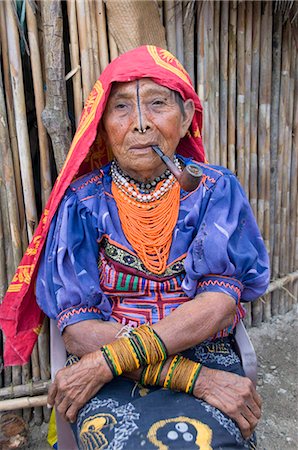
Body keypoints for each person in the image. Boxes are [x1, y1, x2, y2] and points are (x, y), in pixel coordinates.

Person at [2, 46, 269, 450]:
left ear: (185, 120)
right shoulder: (83, 203)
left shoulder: (216, 190)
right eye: (122, 108)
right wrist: (192, 379)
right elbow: (79, 330)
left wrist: (111, 360)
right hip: (106, 357)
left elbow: (218, 305)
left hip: (202, 348)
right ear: (102, 127)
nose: (141, 124)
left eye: (157, 104)